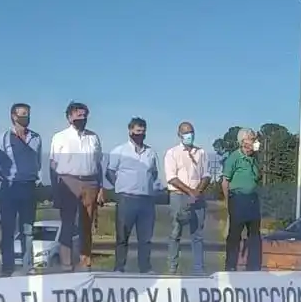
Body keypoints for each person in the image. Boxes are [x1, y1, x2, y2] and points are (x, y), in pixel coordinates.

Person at [0, 103, 42, 276]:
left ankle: (28, 266)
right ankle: (7, 266)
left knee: (28, 230)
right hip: (10, 188)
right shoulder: (3, 138)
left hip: (29, 186)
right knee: (8, 229)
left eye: (28, 114)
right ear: (13, 116)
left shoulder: (36, 138)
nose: (26, 117)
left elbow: (38, 162)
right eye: (22, 114)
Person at [48, 102, 104, 269]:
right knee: (67, 223)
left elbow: (98, 163)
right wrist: (55, 190)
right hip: (68, 182)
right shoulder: (60, 137)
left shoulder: (93, 137)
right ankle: (66, 264)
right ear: (69, 117)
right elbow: (52, 165)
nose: (82, 118)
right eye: (78, 115)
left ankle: (85, 262)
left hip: (90, 182)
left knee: (86, 224)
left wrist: (101, 188)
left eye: (85, 115)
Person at [106, 117, 160, 273]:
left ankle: (145, 267)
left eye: (143, 132)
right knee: (122, 236)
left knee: (145, 238)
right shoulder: (119, 151)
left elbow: (154, 173)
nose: (140, 135)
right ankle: (119, 267)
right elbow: (110, 172)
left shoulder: (150, 152)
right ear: (130, 131)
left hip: (146, 200)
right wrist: (122, 185)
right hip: (126, 198)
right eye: (137, 131)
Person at [163, 121, 210, 274]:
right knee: (175, 232)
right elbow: (171, 177)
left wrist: (198, 191)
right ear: (179, 135)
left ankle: (198, 268)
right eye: (185, 132)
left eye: (191, 132)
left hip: (198, 196)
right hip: (179, 195)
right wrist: (190, 191)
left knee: (197, 234)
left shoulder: (201, 152)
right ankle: (172, 267)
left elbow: (206, 175)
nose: (189, 135)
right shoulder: (172, 153)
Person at [221, 127, 264, 271]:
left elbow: (257, 177)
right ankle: (230, 267)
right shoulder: (234, 157)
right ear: (243, 141)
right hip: (238, 199)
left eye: (254, 139)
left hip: (252, 199)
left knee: (254, 235)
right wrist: (228, 202)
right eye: (252, 139)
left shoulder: (254, 158)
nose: (254, 142)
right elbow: (225, 181)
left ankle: (253, 267)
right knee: (234, 235)